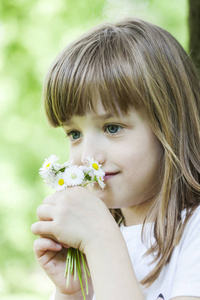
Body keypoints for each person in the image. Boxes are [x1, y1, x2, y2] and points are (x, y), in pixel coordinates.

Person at [31, 18, 200, 300]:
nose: (87, 157)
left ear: (169, 127)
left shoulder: (193, 231)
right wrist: (71, 292)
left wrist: (100, 240)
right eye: (74, 133)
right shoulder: (94, 240)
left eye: (112, 128)